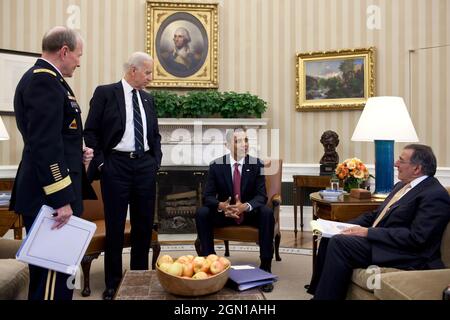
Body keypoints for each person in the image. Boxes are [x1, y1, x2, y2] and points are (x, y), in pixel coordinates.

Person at [9, 26, 95, 300]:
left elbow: (57, 138)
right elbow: (44, 146)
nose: (79, 62)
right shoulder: (43, 81)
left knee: (61, 276)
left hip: (54, 193)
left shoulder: (51, 80)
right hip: (51, 199)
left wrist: (77, 154)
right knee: (51, 281)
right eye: (78, 55)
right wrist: (60, 199)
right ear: (64, 51)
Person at [307, 144, 450, 300]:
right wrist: (343, 226)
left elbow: (417, 237)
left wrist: (368, 232)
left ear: (416, 169)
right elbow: (376, 215)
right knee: (331, 237)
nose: (396, 164)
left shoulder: (434, 194)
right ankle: (318, 295)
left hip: (406, 253)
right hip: (382, 241)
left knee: (340, 243)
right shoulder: (401, 186)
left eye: (401, 161)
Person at [84, 52, 162, 300]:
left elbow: (155, 135)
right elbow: (91, 132)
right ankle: (113, 283)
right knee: (115, 227)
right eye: (147, 72)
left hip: (144, 168)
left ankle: (139, 278)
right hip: (115, 166)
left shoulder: (148, 100)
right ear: (133, 71)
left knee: (142, 226)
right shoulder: (106, 93)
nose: (151, 77)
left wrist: (154, 162)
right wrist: (102, 163)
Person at [195, 128, 275, 292]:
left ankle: (266, 267)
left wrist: (245, 206)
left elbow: (262, 196)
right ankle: (210, 262)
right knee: (202, 213)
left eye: (246, 140)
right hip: (225, 214)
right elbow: (207, 196)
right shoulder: (217, 166)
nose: (244, 144)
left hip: (249, 214)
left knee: (267, 213)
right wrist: (222, 206)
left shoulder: (256, 164)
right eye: (238, 141)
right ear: (227, 145)